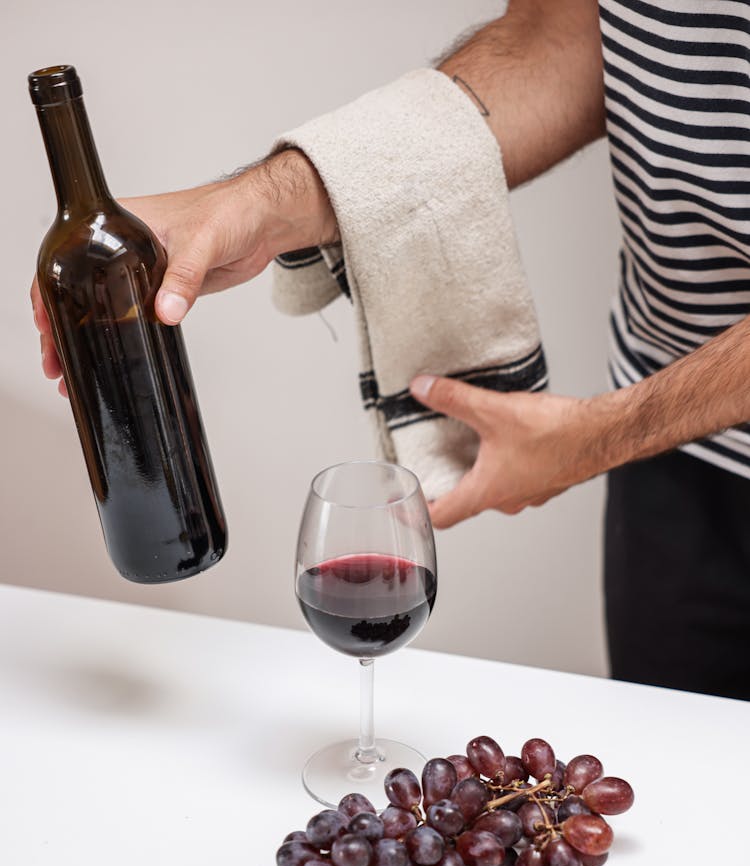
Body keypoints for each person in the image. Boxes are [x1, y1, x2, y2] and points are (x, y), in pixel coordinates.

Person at [31, 1, 750, 701]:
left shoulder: (624, 428)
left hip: (644, 422)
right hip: (674, 471)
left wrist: (610, 430)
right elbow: (563, 40)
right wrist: (263, 199)